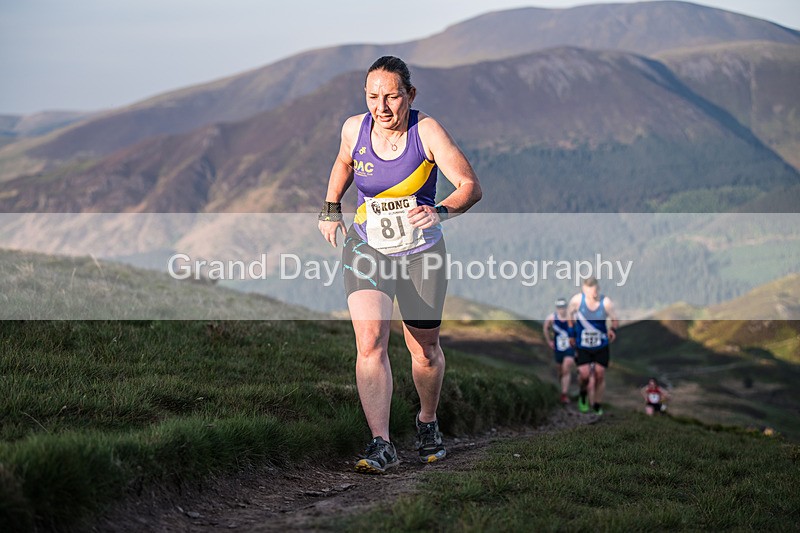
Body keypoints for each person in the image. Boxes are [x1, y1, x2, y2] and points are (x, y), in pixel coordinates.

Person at [318, 56, 482, 474]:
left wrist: (440, 211)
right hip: (366, 248)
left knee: (424, 350)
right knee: (370, 343)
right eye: (373, 96)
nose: (382, 107)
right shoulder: (354, 128)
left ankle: (427, 422)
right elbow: (344, 162)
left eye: (392, 96)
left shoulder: (425, 131)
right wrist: (331, 206)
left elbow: (470, 186)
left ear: (410, 94)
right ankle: (381, 443)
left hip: (419, 254)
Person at [567, 277, 618, 415]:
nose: (593, 294)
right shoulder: (577, 301)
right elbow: (569, 316)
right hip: (583, 344)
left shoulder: (606, 302)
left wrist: (613, 330)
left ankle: (597, 404)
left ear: (598, 289)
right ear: (584, 290)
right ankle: (583, 393)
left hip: (601, 344)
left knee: (599, 374)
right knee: (584, 374)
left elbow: (615, 319)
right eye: (590, 292)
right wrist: (571, 334)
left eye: (595, 291)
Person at [542, 298, 575, 404]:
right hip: (558, 348)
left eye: (564, 307)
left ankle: (564, 394)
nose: (562, 310)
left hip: (569, 347)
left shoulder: (572, 318)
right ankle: (562, 389)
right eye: (560, 308)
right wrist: (549, 341)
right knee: (560, 370)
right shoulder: (552, 318)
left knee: (567, 367)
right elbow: (545, 328)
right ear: (557, 308)